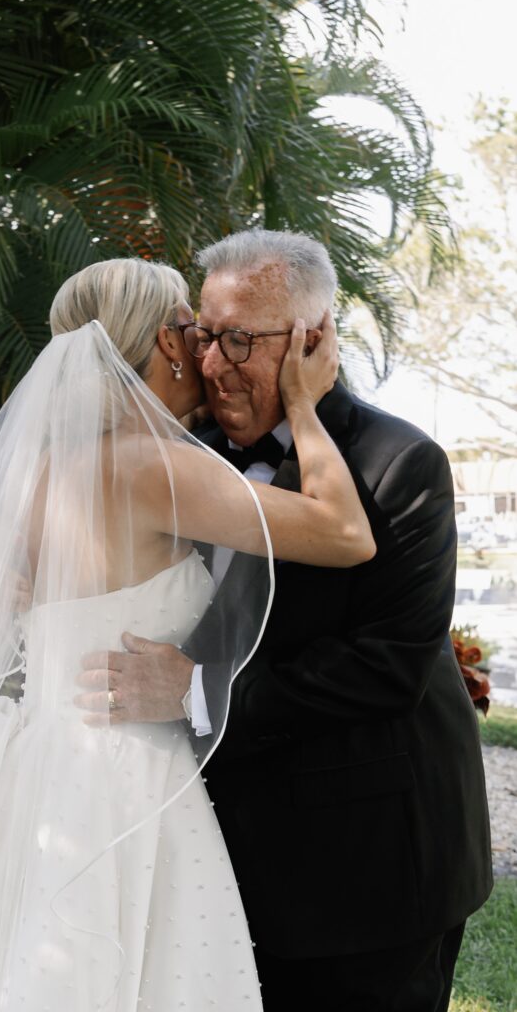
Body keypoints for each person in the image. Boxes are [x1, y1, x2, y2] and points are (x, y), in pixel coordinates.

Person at [0, 257, 375, 1011]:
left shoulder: (36, 470)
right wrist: (305, 406)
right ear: (168, 343)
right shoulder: (157, 469)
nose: (209, 351)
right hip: (121, 778)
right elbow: (346, 534)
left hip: (23, 760)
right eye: (194, 329)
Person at [78, 231, 494, 1012]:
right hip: (211, 866)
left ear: (312, 340)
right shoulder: (177, 453)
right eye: (204, 334)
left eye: (240, 339)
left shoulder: (397, 464)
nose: (210, 362)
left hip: (367, 872)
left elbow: (386, 665)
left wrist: (194, 690)